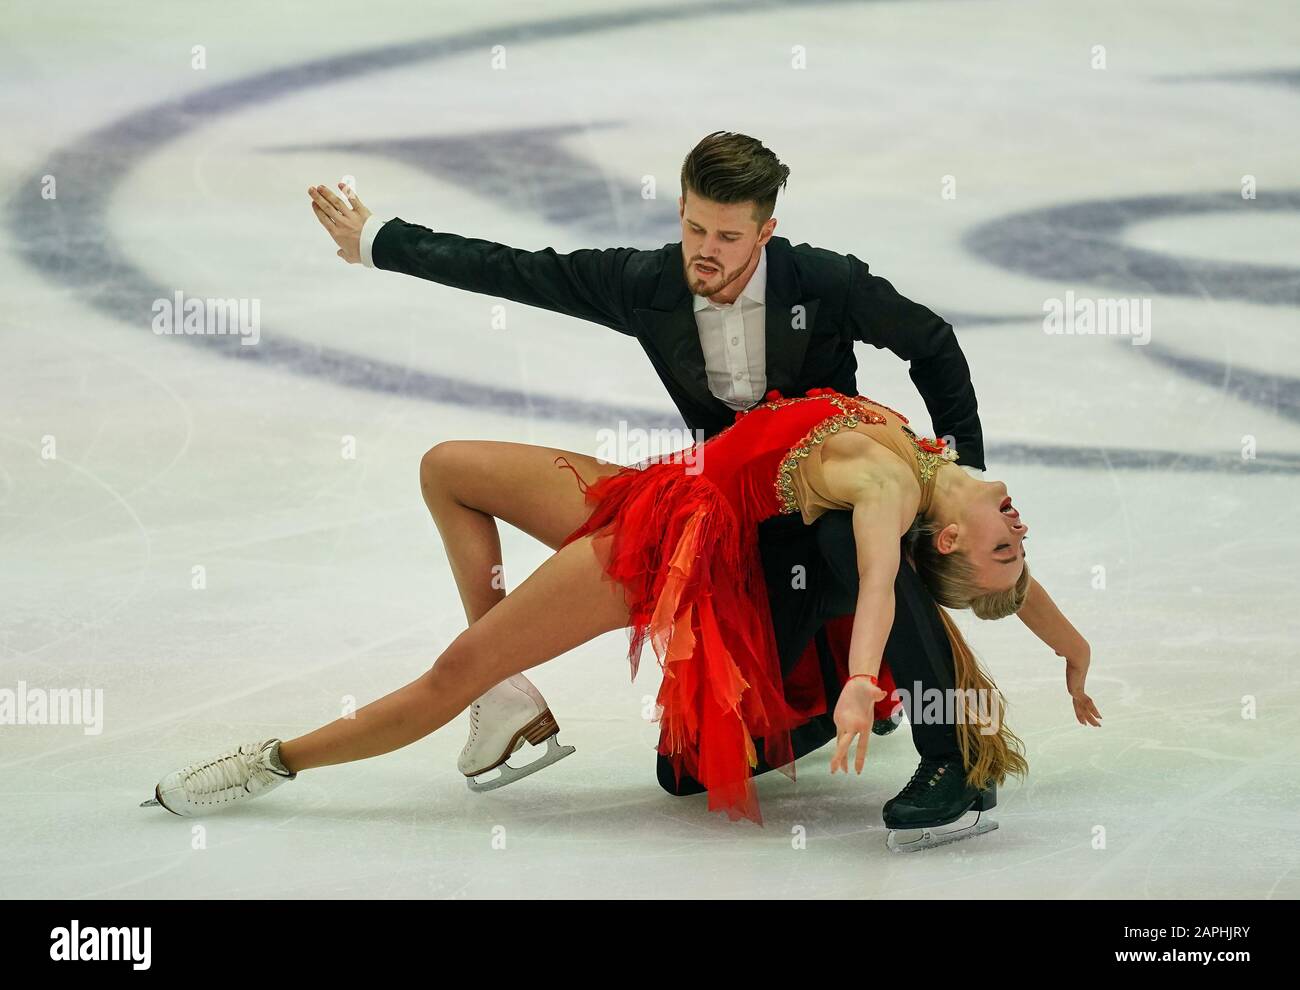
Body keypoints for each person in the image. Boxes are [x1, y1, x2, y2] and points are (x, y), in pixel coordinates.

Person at [295, 131, 1048, 824]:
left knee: (860, 548)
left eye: (727, 235)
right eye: (694, 228)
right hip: (723, 513)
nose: (706, 250)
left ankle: (951, 759)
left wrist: (958, 465)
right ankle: (506, 692)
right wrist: (377, 241)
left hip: (823, 513)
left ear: (765, 232)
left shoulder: (822, 282)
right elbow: (520, 271)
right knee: (684, 776)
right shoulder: (647, 283)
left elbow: (932, 343)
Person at [143, 387, 1100, 828]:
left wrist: (859, 684)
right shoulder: (934, 466)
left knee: (450, 674)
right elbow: (1008, 586)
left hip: (664, 557)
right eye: (1015, 529)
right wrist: (1071, 647)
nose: (1017, 521)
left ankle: (277, 760)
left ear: (947, 543)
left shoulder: (895, 499)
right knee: (446, 469)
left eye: (1005, 541)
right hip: (655, 489)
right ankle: (510, 695)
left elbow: (888, 587)